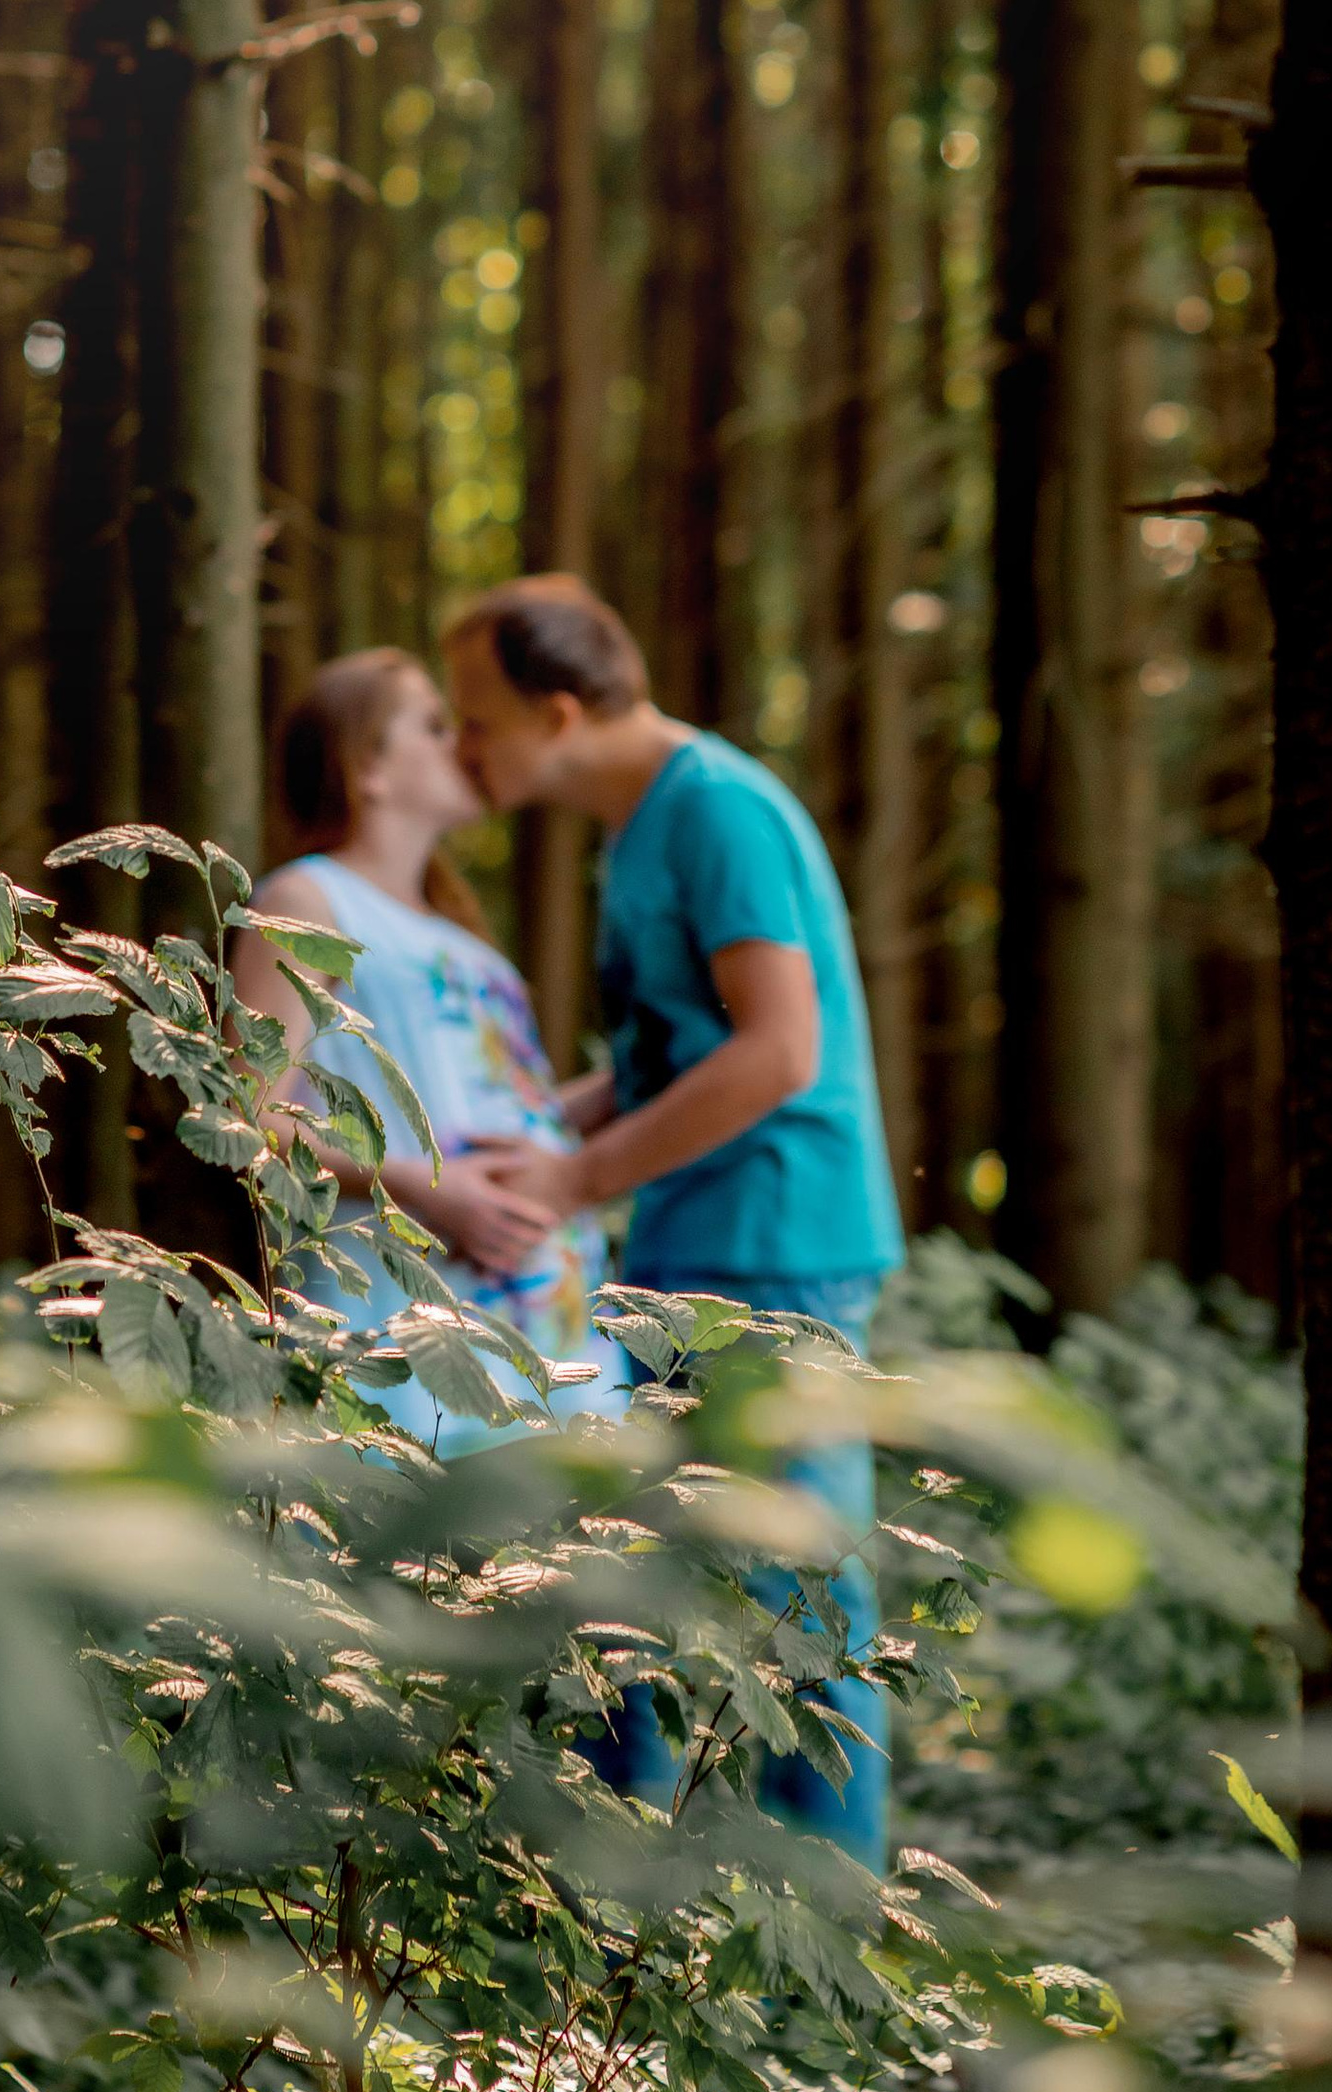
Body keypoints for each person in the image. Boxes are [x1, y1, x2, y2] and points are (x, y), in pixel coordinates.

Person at [442, 575, 902, 1870]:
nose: (465, 749)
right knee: (636, 1573)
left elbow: (777, 1053)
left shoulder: (720, 811)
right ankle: (621, 1912)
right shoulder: (636, 830)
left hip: (779, 1240)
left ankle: (833, 1932)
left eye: (478, 720)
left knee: (798, 1590)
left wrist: (581, 1178)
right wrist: (555, 1133)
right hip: (691, 1244)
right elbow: (667, 1059)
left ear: (562, 710)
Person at [230, 647, 624, 1453]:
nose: (467, 744)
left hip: (550, 1318)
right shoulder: (307, 898)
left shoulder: (466, 940)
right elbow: (246, 1113)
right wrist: (417, 1187)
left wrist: (630, 1084)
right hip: (408, 1328)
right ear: (365, 768)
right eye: (438, 726)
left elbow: (515, 1112)